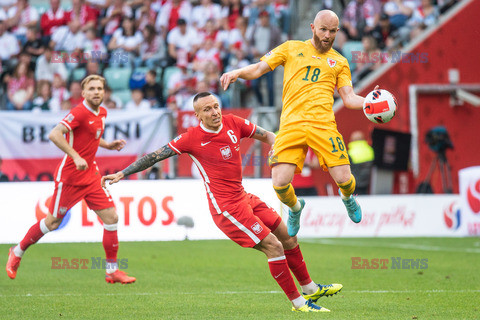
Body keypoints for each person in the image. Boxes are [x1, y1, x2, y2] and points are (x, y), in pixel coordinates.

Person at [102, 92, 342, 312]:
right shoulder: (190, 138)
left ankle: (310, 288)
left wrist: (275, 148)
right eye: (207, 109)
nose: (214, 112)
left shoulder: (233, 122)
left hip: (244, 196)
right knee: (274, 247)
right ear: (197, 116)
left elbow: (268, 135)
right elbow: (154, 156)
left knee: (287, 236)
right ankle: (299, 304)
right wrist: (123, 173)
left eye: (216, 106)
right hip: (226, 209)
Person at [220, 10, 381, 237]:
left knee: (345, 180)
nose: (327, 35)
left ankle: (348, 198)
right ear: (313, 28)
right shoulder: (291, 48)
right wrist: (237, 71)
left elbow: (349, 97)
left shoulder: (340, 62)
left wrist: (370, 102)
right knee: (279, 183)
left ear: (337, 32)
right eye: (323, 29)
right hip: (291, 126)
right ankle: (296, 208)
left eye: (332, 31)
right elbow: (258, 68)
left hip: (323, 125)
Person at [6, 75, 136, 284]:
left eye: (100, 88)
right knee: (52, 222)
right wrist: (75, 156)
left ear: (104, 92)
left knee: (111, 218)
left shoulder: (102, 112)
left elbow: (91, 136)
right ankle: (17, 251)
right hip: (70, 177)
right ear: (83, 93)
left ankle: (112, 271)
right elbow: (55, 134)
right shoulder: (79, 112)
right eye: (92, 89)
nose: (96, 92)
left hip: (91, 176)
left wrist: (107, 145)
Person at [347, 130, 374, 195]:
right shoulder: (370, 150)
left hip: (355, 186)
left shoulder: (351, 152)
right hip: (368, 185)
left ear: (352, 140)